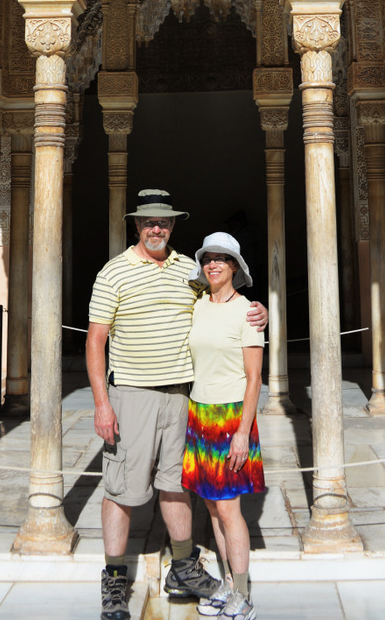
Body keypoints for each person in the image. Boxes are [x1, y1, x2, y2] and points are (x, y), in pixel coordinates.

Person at [87, 189, 268, 620]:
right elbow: (95, 340)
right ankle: (114, 581)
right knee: (121, 488)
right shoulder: (113, 273)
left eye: (164, 223)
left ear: (172, 227)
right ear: (136, 225)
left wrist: (257, 311)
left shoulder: (189, 269)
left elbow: (224, 302)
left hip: (182, 396)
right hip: (132, 393)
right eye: (149, 222)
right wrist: (102, 403)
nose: (156, 229)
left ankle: (184, 566)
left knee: (175, 483)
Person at [182, 232, 264, 620]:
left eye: (222, 259)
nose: (213, 264)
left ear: (235, 267)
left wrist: (243, 433)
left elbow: (254, 379)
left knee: (230, 510)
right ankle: (227, 585)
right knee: (213, 509)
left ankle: (243, 595)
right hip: (200, 413)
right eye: (208, 258)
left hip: (231, 417)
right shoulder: (197, 304)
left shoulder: (247, 310)